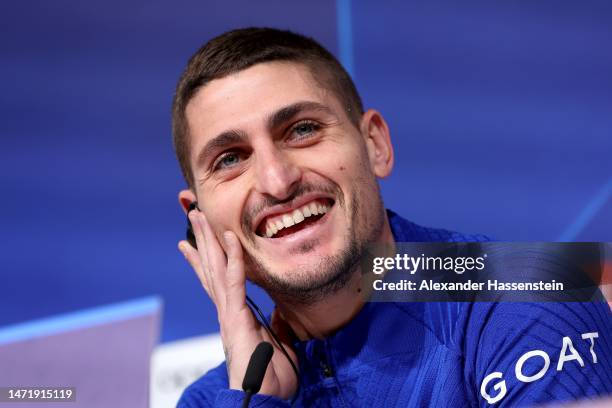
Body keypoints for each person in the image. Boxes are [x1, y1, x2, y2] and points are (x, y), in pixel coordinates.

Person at [172, 28, 611, 407]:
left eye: (302, 130)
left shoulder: (527, 295)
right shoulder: (214, 399)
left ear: (375, 145)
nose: (276, 180)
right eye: (230, 159)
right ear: (199, 220)